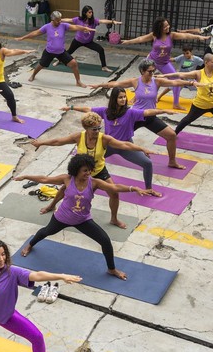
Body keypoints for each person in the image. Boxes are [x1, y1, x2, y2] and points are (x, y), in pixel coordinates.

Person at [15, 155, 150, 280]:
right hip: (62, 217)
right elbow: (44, 179)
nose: (88, 173)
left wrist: (133, 188)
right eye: (85, 170)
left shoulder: (95, 183)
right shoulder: (67, 179)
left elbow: (114, 187)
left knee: (105, 241)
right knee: (45, 231)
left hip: (83, 220)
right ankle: (30, 245)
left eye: (89, 170)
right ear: (76, 170)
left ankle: (112, 269)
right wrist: (26, 176)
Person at [29, 112, 157, 229]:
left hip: (99, 171)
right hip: (80, 172)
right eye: (94, 129)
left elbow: (125, 145)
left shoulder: (104, 139)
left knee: (114, 193)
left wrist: (142, 149)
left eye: (99, 128)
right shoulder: (79, 137)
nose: (97, 131)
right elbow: (58, 141)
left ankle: (114, 219)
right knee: (64, 189)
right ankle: (52, 206)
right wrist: (41, 143)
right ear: (86, 128)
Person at [89, 58, 206, 169]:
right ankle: (94, 155)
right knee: (115, 138)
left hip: (150, 117)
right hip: (135, 117)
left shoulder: (157, 81)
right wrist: (99, 85)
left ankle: (172, 161)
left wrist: (191, 83)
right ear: (142, 71)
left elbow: (175, 82)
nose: (152, 73)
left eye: (153, 70)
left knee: (171, 135)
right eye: (149, 71)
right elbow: (114, 84)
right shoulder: (135, 81)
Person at [68, 87, 178, 197]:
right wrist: (71, 107)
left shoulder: (130, 112)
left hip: (125, 145)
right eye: (120, 97)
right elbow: (88, 109)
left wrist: (164, 111)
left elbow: (147, 112)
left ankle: (149, 189)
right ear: (114, 99)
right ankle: (75, 183)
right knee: (84, 163)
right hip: (108, 145)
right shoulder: (105, 111)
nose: (123, 99)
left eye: (124, 97)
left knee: (147, 163)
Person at [120, 18, 209, 109]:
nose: (168, 27)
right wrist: (128, 41)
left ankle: (176, 104)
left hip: (164, 63)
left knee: (177, 80)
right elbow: (140, 39)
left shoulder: (172, 35)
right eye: (165, 26)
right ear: (159, 28)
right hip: (152, 61)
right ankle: (136, 97)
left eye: (168, 25)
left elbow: (185, 36)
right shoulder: (154, 35)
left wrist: (198, 37)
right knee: (145, 79)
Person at [22, 11, 93, 88]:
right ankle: (33, 75)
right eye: (57, 20)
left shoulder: (63, 25)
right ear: (52, 19)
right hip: (49, 51)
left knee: (74, 63)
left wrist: (84, 28)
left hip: (61, 52)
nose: (59, 21)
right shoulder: (47, 27)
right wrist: (23, 37)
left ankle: (78, 82)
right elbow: (35, 33)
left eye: (60, 19)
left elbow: (75, 27)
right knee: (41, 65)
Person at [59, 5, 121, 72]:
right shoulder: (78, 19)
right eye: (89, 12)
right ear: (85, 13)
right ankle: (59, 60)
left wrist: (112, 22)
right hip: (78, 41)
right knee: (69, 52)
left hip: (88, 42)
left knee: (101, 50)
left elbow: (102, 21)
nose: (91, 14)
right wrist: (59, 20)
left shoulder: (94, 21)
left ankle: (104, 67)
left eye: (91, 12)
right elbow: (69, 20)